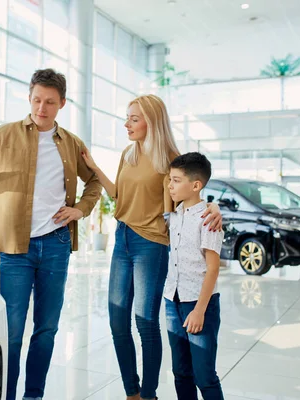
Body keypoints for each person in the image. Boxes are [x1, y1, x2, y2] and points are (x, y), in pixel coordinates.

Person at [0, 68, 102, 400]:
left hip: (56, 244)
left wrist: (81, 209)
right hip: (15, 248)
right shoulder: (5, 135)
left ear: (62, 103)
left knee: (46, 329)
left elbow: (95, 180)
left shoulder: (72, 144)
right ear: (29, 97)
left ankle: (34, 395)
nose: (41, 108)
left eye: (49, 102)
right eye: (36, 100)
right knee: (12, 332)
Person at [81, 95, 222, 400]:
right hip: (123, 238)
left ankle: (148, 394)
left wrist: (215, 206)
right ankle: (131, 392)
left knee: (144, 321)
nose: (127, 124)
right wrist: (93, 166)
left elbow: (189, 191)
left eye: (134, 118)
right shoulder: (127, 154)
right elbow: (118, 193)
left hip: (152, 244)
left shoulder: (169, 157)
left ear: (152, 121)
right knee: (117, 319)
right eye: (127, 117)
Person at [164, 152, 225, 400]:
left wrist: (199, 310)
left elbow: (213, 268)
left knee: (204, 375)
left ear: (196, 185)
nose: (170, 185)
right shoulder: (174, 214)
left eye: (176, 180)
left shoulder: (209, 219)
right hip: (172, 302)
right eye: (170, 179)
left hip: (199, 304)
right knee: (180, 372)